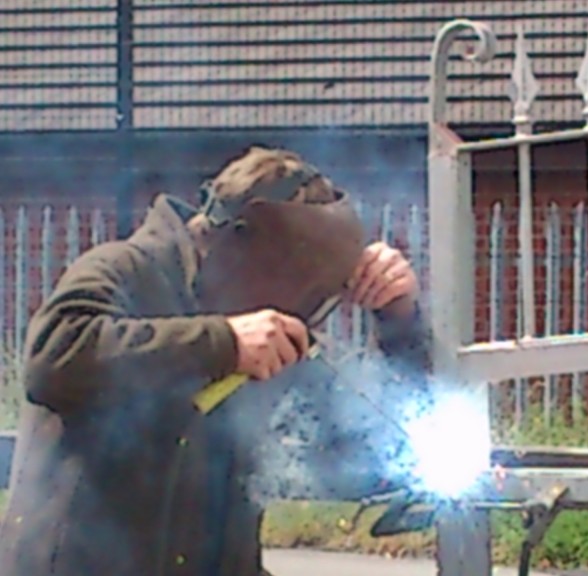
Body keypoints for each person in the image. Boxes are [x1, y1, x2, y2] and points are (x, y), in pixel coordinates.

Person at [0, 146, 432, 576]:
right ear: (239, 241)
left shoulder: (272, 337)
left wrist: (398, 319)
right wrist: (222, 343)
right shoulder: (129, 269)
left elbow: (378, 433)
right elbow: (52, 356)